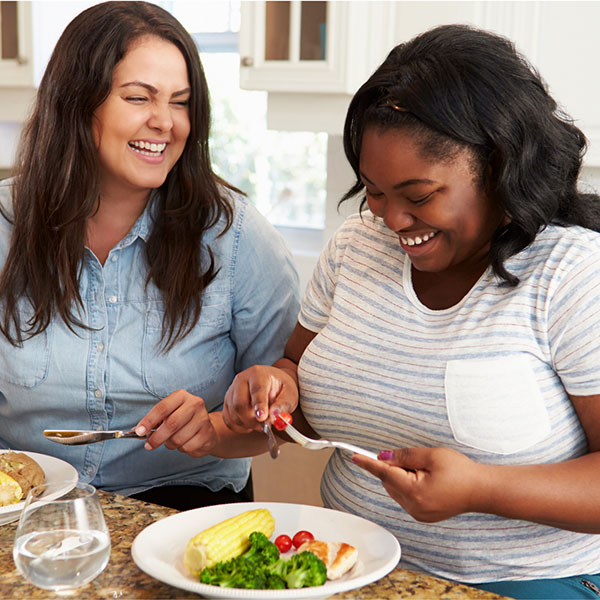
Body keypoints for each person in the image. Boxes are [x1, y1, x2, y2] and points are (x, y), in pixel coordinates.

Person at [222, 24, 600, 598]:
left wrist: (481, 489)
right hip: (346, 569)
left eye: (419, 196)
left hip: (522, 585)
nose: (392, 220)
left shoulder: (571, 274)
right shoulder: (355, 249)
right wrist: (274, 389)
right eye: (374, 191)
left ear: (499, 165)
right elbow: (298, 382)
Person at [0, 1, 299, 511]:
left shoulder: (237, 236)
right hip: (26, 508)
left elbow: (283, 419)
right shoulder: (6, 225)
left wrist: (217, 426)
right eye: (139, 97)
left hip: (183, 511)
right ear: (75, 102)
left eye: (180, 103)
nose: (164, 122)